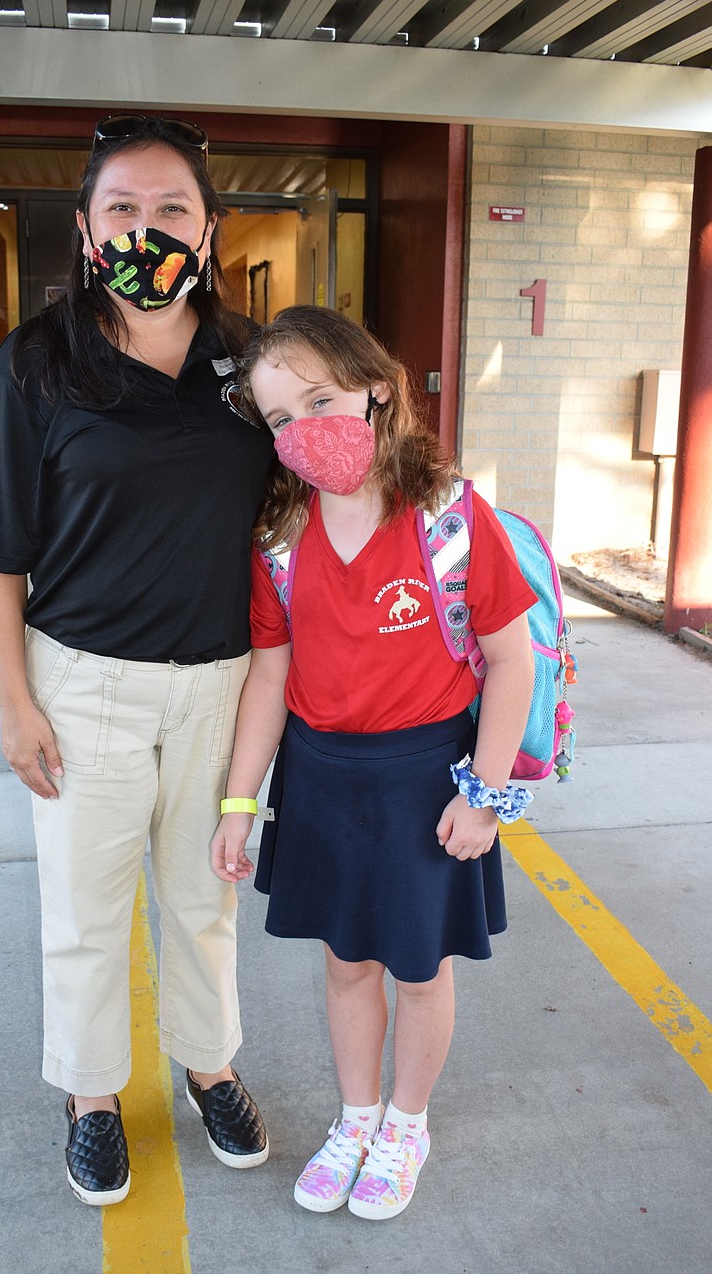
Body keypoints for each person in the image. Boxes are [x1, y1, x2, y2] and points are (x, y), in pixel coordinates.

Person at [0, 115, 274, 1206]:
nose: (148, 229)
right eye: (123, 210)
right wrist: (15, 707)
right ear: (90, 228)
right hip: (82, 683)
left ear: (209, 224)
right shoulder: (38, 361)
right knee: (87, 909)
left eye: (171, 209)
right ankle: (93, 1096)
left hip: (219, 686)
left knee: (202, 899)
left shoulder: (249, 364)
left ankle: (209, 1065)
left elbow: (321, 480)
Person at [210, 306, 536, 1221]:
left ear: (376, 388)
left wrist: (483, 793)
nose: (302, 429)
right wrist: (243, 801)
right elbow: (271, 674)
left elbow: (514, 658)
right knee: (348, 959)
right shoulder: (277, 539)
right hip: (320, 778)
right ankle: (356, 1118)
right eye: (278, 418)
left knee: (420, 965)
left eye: (319, 398)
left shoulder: (449, 517)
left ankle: (407, 1122)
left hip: (427, 777)